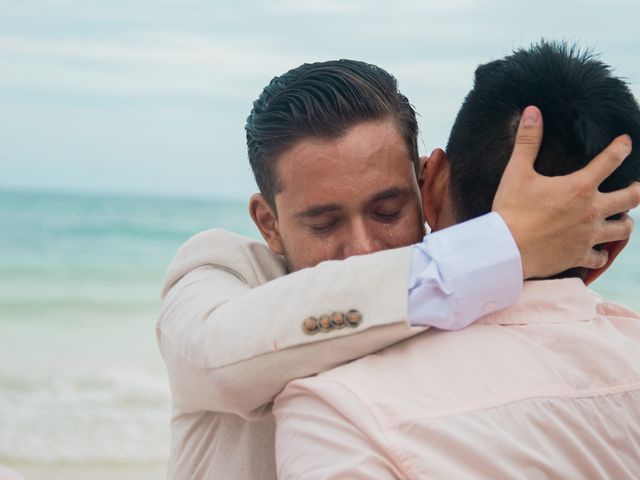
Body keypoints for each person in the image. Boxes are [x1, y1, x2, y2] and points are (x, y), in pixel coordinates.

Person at [157, 58, 640, 478]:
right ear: (269, 223)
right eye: (324, 223)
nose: (365, 250)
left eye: (389, 212)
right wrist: (502, 243)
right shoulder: (223, 272)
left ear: (425, 186)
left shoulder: (464, 292)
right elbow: (214, 354)